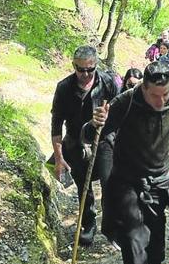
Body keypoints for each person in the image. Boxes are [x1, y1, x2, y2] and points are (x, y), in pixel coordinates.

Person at [90, 61, 169, 264]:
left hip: (159, 182)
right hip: (127, 181)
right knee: (134, 237)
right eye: (155, 95)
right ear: (144, 87)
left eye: (165, 94)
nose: (161, 101)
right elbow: (93, 136)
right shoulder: (126, 102)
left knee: (155, 241)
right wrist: (94, 123)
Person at [50, 45, 118, 246]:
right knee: (84, 187)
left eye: (90, 69)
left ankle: (111, 225)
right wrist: (59, 156)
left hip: (104, 139)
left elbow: (121, 111)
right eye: (81, 69)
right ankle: (88, 224)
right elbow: (56, 124)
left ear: (96, 65)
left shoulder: (107, 82)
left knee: (110, 184)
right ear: (74, 66)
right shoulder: (64, 88)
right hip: (75, 143)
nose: (86, 74)